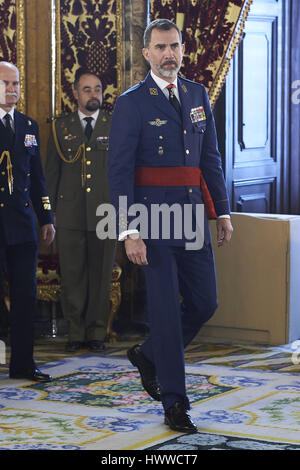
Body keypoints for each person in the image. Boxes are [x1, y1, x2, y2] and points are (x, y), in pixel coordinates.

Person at [108, 19, 233, 433]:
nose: (169, 54)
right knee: (165, 314)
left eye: (175, 46)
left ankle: (148, 355)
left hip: (193, 217)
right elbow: (119, 170)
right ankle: (175, 403)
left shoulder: (197, 94)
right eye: (161, 47)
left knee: (205, 302)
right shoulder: (132, 102)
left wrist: (223, 212)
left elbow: (209, 158)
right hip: (152, 221)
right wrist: (129, 230)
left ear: (183, 49)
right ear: (146, 54)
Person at [45, 70, 115, 353]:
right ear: (75, 93)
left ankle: (96, 332)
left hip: (105, 212)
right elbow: (51, 174)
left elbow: (123, 171)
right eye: (87, 89)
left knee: (101, 275)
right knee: (72, 274)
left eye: (97, 89)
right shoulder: (59, 128)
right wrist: (48, 215)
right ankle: (75, 332)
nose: (93, 94)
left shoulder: (115, 125)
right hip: (70, 212)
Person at [0, 61, 55, 382]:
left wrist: (45, 216)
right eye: (5, 83)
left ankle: (23, 363)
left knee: (25, 295)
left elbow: (37, 179)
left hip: (22, 225)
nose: (12, 89)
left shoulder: (28, 126)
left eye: (16, 83)